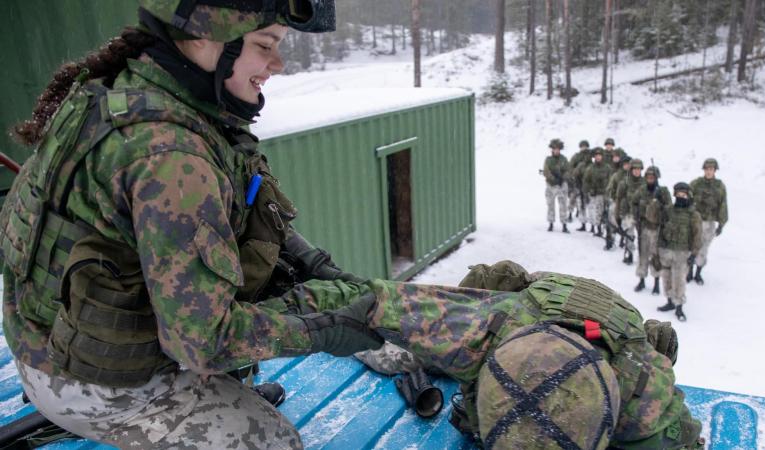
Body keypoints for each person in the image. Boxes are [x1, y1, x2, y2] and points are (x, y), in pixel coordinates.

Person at [0, 1, 385, 448]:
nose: (277, 64)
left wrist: (312, 263)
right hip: (89, 378)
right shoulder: (168, 153)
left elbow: (249, 202)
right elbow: (203, 342)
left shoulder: (134, 90)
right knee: (273, 441)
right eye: (265, 45)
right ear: (205, 36)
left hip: (43, 333)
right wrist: (324, 328)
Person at [297, 261, 704, 449]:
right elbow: (372, 303)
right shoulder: (480, 329)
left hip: (617, 325)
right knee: (404, 355)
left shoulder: (644, 391)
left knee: (662, 341)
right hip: (536, 295)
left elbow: (686, 438)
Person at [657, 183, 703, 322]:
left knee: (679, 280)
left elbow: (697, 236)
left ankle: (679, 307)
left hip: (682, 252)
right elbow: (661, 228)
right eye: (678, 194)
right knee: (666, 277)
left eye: (683, 194)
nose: (680, 197)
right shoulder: (668, 210)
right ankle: (670, 301)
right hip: (667, 250)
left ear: (688, 196)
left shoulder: (693, 215)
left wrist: (694, 254)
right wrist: (658, 248)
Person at [632, 166, 671, 295]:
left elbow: (669, 209)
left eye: (652, 177)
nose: (650, 179)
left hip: (657, 229)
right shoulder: (641, 190)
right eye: (648, 177)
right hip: (644, 227)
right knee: (643, 254)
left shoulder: (663, 191)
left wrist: (660, 202)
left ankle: (656, 283)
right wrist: (636, 216)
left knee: (656, 257)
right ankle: (642, 279)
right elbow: (634, 203)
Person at [688, 158, 728, 285]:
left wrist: (721, 224)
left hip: (709, 223)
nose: (709, 172)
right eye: (707, 169)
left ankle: (698, 273)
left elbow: (723, 205)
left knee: (703, 249)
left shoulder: (720, 186)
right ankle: (689, 271)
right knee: (691, 246)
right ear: (704, 170)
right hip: (695, 221)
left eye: (711, 169)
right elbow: (685, 198)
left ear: (715, 170)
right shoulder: (696, 184)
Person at [616, 158, 646, 265]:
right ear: (631, 169)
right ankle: (630, 254)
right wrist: (617, 216)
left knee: (643, 237)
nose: (637, 171)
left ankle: (642, 256)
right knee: (629, 235)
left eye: (639, 169)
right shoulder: (624, 183)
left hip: (642, 214)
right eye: (635, 169)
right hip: (628, 214)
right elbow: (618, 200)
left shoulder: (645, 183)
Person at [582, 148, 612, 237]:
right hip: (594, 194)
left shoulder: (607, 167)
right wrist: (586, 192)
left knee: (607, 213)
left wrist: (609, 192)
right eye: (596, 156)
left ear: (602, 156)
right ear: (594, 157)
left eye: (599, 156)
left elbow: (611, 181)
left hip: (605, 193)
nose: (598, 157)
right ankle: (598, 229)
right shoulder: (590, 168)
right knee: (597, 212)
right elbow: (586, 181)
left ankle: (608, 231)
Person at [542, 138, 570, 233]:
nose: (557, 150)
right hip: (551, 185)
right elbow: (546, 171)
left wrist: (563, 178)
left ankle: (564, 225)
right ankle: (551, 224)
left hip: (562, 184)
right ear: (552, 149)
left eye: (558, 149)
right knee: (550, 204)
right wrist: (553, 179)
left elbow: (568, 170)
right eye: (555, 149)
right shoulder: (548, 160)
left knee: (563, 205)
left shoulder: (564, 159)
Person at [605, 155, 631, 250]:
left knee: (628, 223)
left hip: (629, 203)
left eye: (629, 164)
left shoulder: (634, 176)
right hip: (617, 201)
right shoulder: (616, 175)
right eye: (625, 164)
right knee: (612, 220)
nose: (627, 166)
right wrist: (611, 198)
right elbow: (609, 188)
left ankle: (626, 242)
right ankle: (610, 241)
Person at [568, 140, 592, 224]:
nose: (584, 148)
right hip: (577, 180)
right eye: (582, 146)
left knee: (586, 199)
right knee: (573, 197)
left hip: (587, 181)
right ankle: (570, 213)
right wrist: (575, 173)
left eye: (585, 146)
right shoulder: (576, 156)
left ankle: (584, 215)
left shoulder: (590, 156)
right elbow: (570, 167)